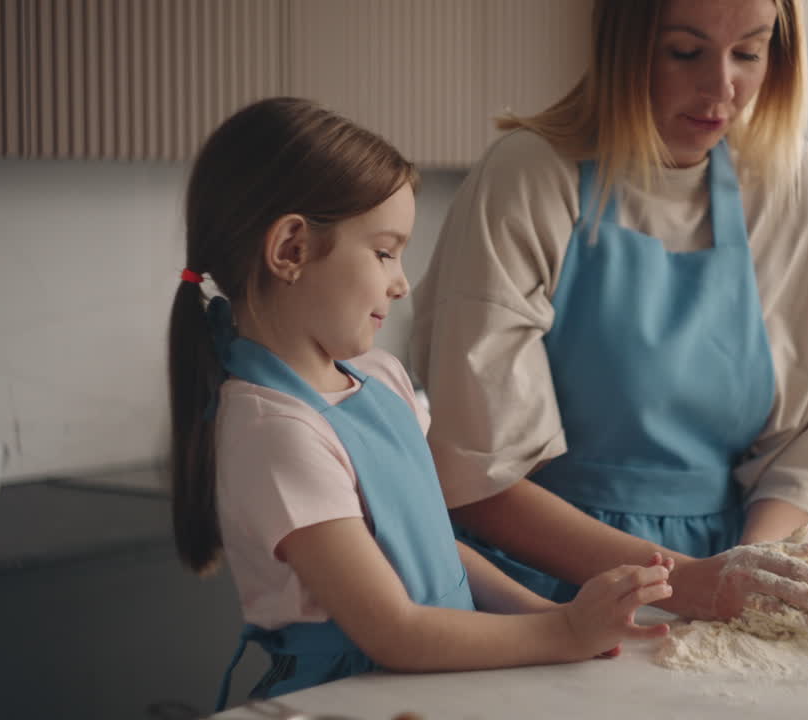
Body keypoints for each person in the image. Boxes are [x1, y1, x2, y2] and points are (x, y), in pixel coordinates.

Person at [166, 97, 676, 711]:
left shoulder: (381, 378)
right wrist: (562, 633)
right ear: (292, 249)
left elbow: (436, 547)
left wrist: (560, 615)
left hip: (441, 682)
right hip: (350, 698)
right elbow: (394, 631)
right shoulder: (274, 431)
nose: (401, 282)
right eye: (385, 251)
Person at [410, 0, 808, 621]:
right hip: (533, 588)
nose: (722, 88)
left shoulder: (795, 186)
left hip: (723, 570)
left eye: (749, 53)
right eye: (686, 52)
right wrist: (686, 586)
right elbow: (476, 478)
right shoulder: (529, 177)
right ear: (623, 47)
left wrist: (748, 573)